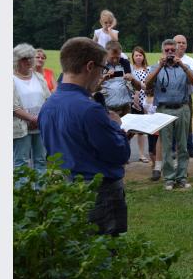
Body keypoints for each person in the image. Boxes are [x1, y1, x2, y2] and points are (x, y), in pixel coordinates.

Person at [38, 37, 131, 236]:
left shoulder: (48, 106)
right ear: (90, 66)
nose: (103, 74)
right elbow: (119, 154)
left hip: (68, 190)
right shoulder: (90, 110)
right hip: (99, 194)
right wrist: (117, 127)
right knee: (105, 256)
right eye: (103, 68)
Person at [145, 38, 193, 191]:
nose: (169, 53)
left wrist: (181, 64)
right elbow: (147, 84)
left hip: (182, 108)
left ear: (177, 52)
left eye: (172, 50)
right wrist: (159, 67)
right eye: (167, 50)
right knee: (167, 146)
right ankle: (169, 178)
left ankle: (182, 177)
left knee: (183, 145)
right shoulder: (156, 67)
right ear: (163, 52)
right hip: (164, 108)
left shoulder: (184, 67)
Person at [13, 43, 51, 174]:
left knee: (40, 160)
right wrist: (31, 119)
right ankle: (23, 192)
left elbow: (48, 100)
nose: (28, 61)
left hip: (39, 125)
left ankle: (41, 192)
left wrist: (39, 119)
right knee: (21, 162)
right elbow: (13, 107)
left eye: (30, 57)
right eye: (24, 58)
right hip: (21, 126)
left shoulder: (39, 77)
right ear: (16, 60)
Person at [174, 34, 193, 159]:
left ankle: (190, 148)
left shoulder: (191, 61)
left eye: (183, 42)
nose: (181, 45)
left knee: (188, 124)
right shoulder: (164, 60)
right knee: (171, 124)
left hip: (186, 98)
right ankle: (172, 149)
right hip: (170, 98)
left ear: (186, 45)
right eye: (178, 42)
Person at [98, 40, 141, 117]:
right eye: (112, 58)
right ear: (105, 54)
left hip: (125, 109)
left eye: (117, 57)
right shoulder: (99, 67)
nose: (115, 60)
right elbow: (92, 90)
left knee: (126, 129)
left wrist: (132, 79)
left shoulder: (126, 65)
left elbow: (139, 87)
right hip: (106, 110)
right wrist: (103, 79)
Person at [130, 46, 151, 163]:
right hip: (134, 102)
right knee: (130, 129)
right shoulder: (131, 70)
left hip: (146, 102)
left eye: (140, 55)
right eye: (136, 55)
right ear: (133, 57)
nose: (138, 57)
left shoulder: (148, 69)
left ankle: (142, 154)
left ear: (143, 56)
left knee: (142, 131)